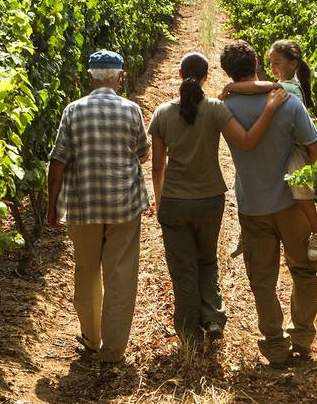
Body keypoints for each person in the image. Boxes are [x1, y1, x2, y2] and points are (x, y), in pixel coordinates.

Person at [148, 52, 289, 349]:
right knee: (207, 260)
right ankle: (213, 318)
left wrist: (159, 203)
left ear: (179, 74)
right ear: (206, 77)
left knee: (183, 268)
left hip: (174, 200)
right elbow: (247, 140)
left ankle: (188, 334)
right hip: (209, 199)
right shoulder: (214, 109)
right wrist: (267, 109)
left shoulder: (162, 113)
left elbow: (158, 166)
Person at [218, 40, 317, 369]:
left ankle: (275, 345)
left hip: (252, 206)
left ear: (227, 72)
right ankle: (302, 338)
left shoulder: (222, 108)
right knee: (304, 272)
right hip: (292, 205)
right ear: (257, 64)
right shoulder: (288, 102)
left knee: (262, 280)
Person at [46, 49, 149, 366]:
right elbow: (143, 153)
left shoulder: (73, 111)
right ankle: (114, 349)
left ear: (90, 77)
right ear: (119, 77)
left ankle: (91, 339)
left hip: (84, 205)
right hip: (123, 206)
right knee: (121, 275)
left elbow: (58, 160)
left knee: (87, 273)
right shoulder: (131, 110)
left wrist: (52, 207)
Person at [221, 39, 317, 261]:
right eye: (270, 63)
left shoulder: (285, 89)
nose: (272, 69)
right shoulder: (284, 87)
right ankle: (245, 233)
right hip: (295, 144)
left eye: (277, 63)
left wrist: (230, 88)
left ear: (293, 64)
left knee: (301, 189)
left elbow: (257, 87)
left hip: (297, 149)